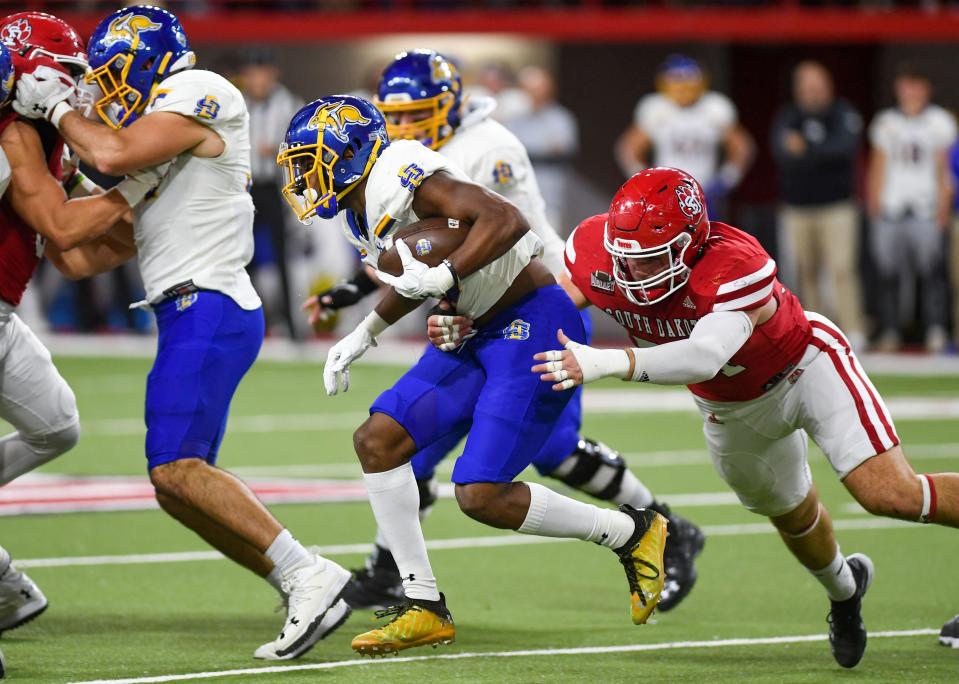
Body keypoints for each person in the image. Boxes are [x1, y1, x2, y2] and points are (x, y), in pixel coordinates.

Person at [305, 49, 703, 615]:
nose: (405, 126)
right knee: (400, 444)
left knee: (553, 453)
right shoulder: (390, 168)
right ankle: (396, 577)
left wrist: (449, 286)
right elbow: (410, 254)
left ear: (447, 105)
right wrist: (381, 308)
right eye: (397, 115)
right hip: (472, 312)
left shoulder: (485, 149)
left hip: (544, 299)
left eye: (419, 113)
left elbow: (494, 240)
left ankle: (664, 526)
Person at [14, 5, 351, 661]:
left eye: (113, 75)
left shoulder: (200, 91)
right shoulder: (156, 151)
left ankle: (309, 573)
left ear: (147, 61)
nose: (103, 90)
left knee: (175, 466)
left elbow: (107, 149)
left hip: (211, 306)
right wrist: (38, 183)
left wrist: (56, 114)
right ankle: (293, 578)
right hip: (188, 312)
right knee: (176, 486)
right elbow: (74, 252)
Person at [521, 167, 959, 669]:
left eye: (651, 261)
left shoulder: (733, 262)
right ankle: (844, 591)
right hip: (729, 407)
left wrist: (608, 361)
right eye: (626, 260)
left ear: (691, 244)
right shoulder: (597, 250)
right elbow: (548, 305)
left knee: (889, 494)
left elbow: (705, 354)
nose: (634, 275)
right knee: (792, 515)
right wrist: (472, 320)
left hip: (805, 368)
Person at [0, 11, 146, 643]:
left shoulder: (38, 135)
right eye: (62, 73)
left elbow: (75, 253)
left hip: (2, 313)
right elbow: (62, 228)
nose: (74, 87)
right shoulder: (14, 132)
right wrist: (138, 192)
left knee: (56, 425)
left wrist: (166, 230)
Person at [771, 61, 865, 351]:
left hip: (837, 206)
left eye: (817, 85)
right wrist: (818, 153)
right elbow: (782, 153)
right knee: (804, 269)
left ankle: (853, 328)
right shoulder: (788, 116)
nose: (812, 92)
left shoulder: (843, 113)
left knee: (841, 268)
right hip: (797, 207)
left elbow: (845, 149)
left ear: (828, 86)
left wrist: (808, 150)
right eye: (806, 86)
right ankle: (813, 328)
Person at [866, 64, 956, 353]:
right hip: (892, 206)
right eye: (907, 86)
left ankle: (935, 328)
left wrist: (943, 207)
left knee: (932, 272)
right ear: (899, 89)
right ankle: (891, 329)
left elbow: (946, 169)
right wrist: (874, 205)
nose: (911, 93)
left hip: (925, 207)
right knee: (888, 272)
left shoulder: (939, 122)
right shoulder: (886, 122)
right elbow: (877, 166)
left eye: (917, 86)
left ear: (926, 90)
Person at [614, 54, 753, 216]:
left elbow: (742, 146)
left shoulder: (714, 107)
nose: (683, 90)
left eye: (688, 84)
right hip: (666, 192)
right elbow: (628, 148)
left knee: (708, 235)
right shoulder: (657, 108)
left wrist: (726, 178)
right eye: (678, 84)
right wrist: (647, 183)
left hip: (704, 191)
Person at [241, 48, 302, 339]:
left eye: (262, 73)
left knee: (281, 259)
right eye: (253, 74)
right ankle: (248, 323)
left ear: (273, 74)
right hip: (246, 188)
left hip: (274, 188)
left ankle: (291, 325)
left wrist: (278, 150)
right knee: (243, 257)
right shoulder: (239, 103)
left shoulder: (288, 103)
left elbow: (301, 145)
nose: (258, 80)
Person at [506, 65, 578, 232]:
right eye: (529, 89)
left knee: (549, 247)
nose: (535, 94)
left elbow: (562, 152)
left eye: (539, 89)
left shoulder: (560, 118)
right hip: (518, 196)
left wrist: (530, 153)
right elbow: (509, 152)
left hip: (549, 196)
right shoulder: (515, 119)